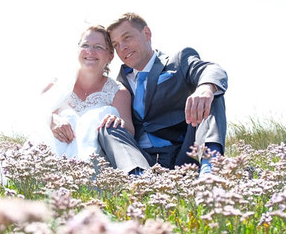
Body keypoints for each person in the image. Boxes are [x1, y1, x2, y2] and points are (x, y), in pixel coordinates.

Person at [97, 12, 228, 174]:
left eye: (127, 38)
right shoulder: (118, 82)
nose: (122, 48)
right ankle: (139, 180)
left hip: (185, 154)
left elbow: (212, 70)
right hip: (143, 158)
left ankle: (210, 168)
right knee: (107, 126)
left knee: (212, 94)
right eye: (116, 44)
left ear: (147, 34)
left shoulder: (178, 60)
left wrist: (205, 87)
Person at [43, 25, 135, 162]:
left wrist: (116, 121)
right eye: (85, 45)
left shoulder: (118, 92)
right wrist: (52, 120)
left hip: (94, 165)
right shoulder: (57, 85)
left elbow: (129, 131)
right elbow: (35, 113)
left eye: (98, 47)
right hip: (51, 159)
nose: (90, 51)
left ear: (110, 56)